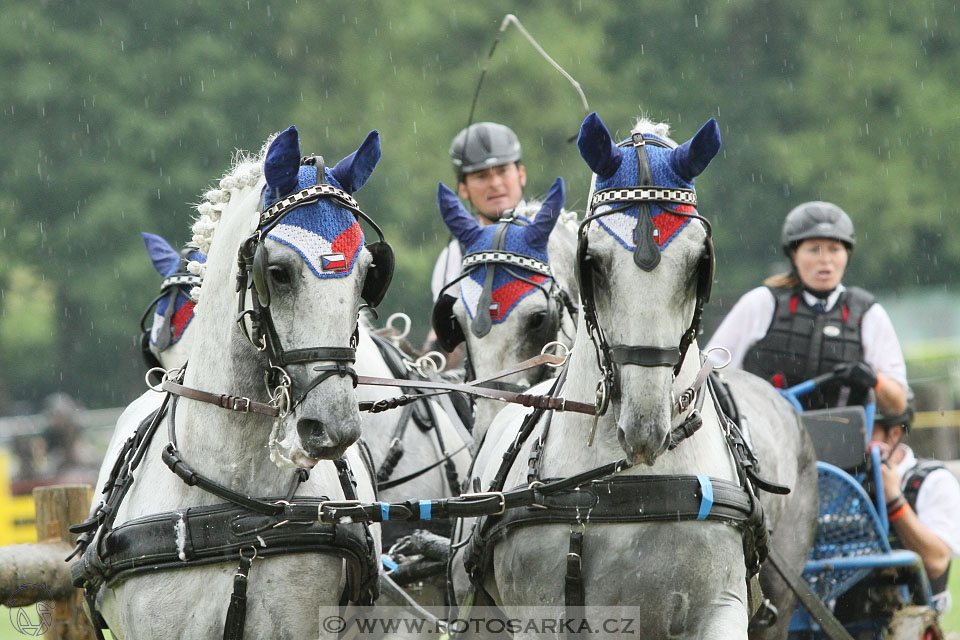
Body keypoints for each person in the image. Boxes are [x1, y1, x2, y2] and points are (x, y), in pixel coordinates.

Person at [706, 201, 907, 415]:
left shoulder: (868, 314)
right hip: (765, 438)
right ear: (794, 255)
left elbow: (898, 405)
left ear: (847, 255)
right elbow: (708, 373)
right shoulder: (760, 303)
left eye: (834, 249)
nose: (826, 260)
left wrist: (874, 380)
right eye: (814, 250)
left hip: (840, 440)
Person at [424, 122, 527, 358]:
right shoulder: (455, 255)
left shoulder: (557, 237)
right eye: (481, 176)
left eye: (502, 171)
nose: (495, 183)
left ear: (521, 174)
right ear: (463, 189)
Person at [871, 397, 960, 612]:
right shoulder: (837, 482)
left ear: (894, 434)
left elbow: (936, 561)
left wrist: (893, 499)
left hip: (910, 620)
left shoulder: (933, 481)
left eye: (866, 430)